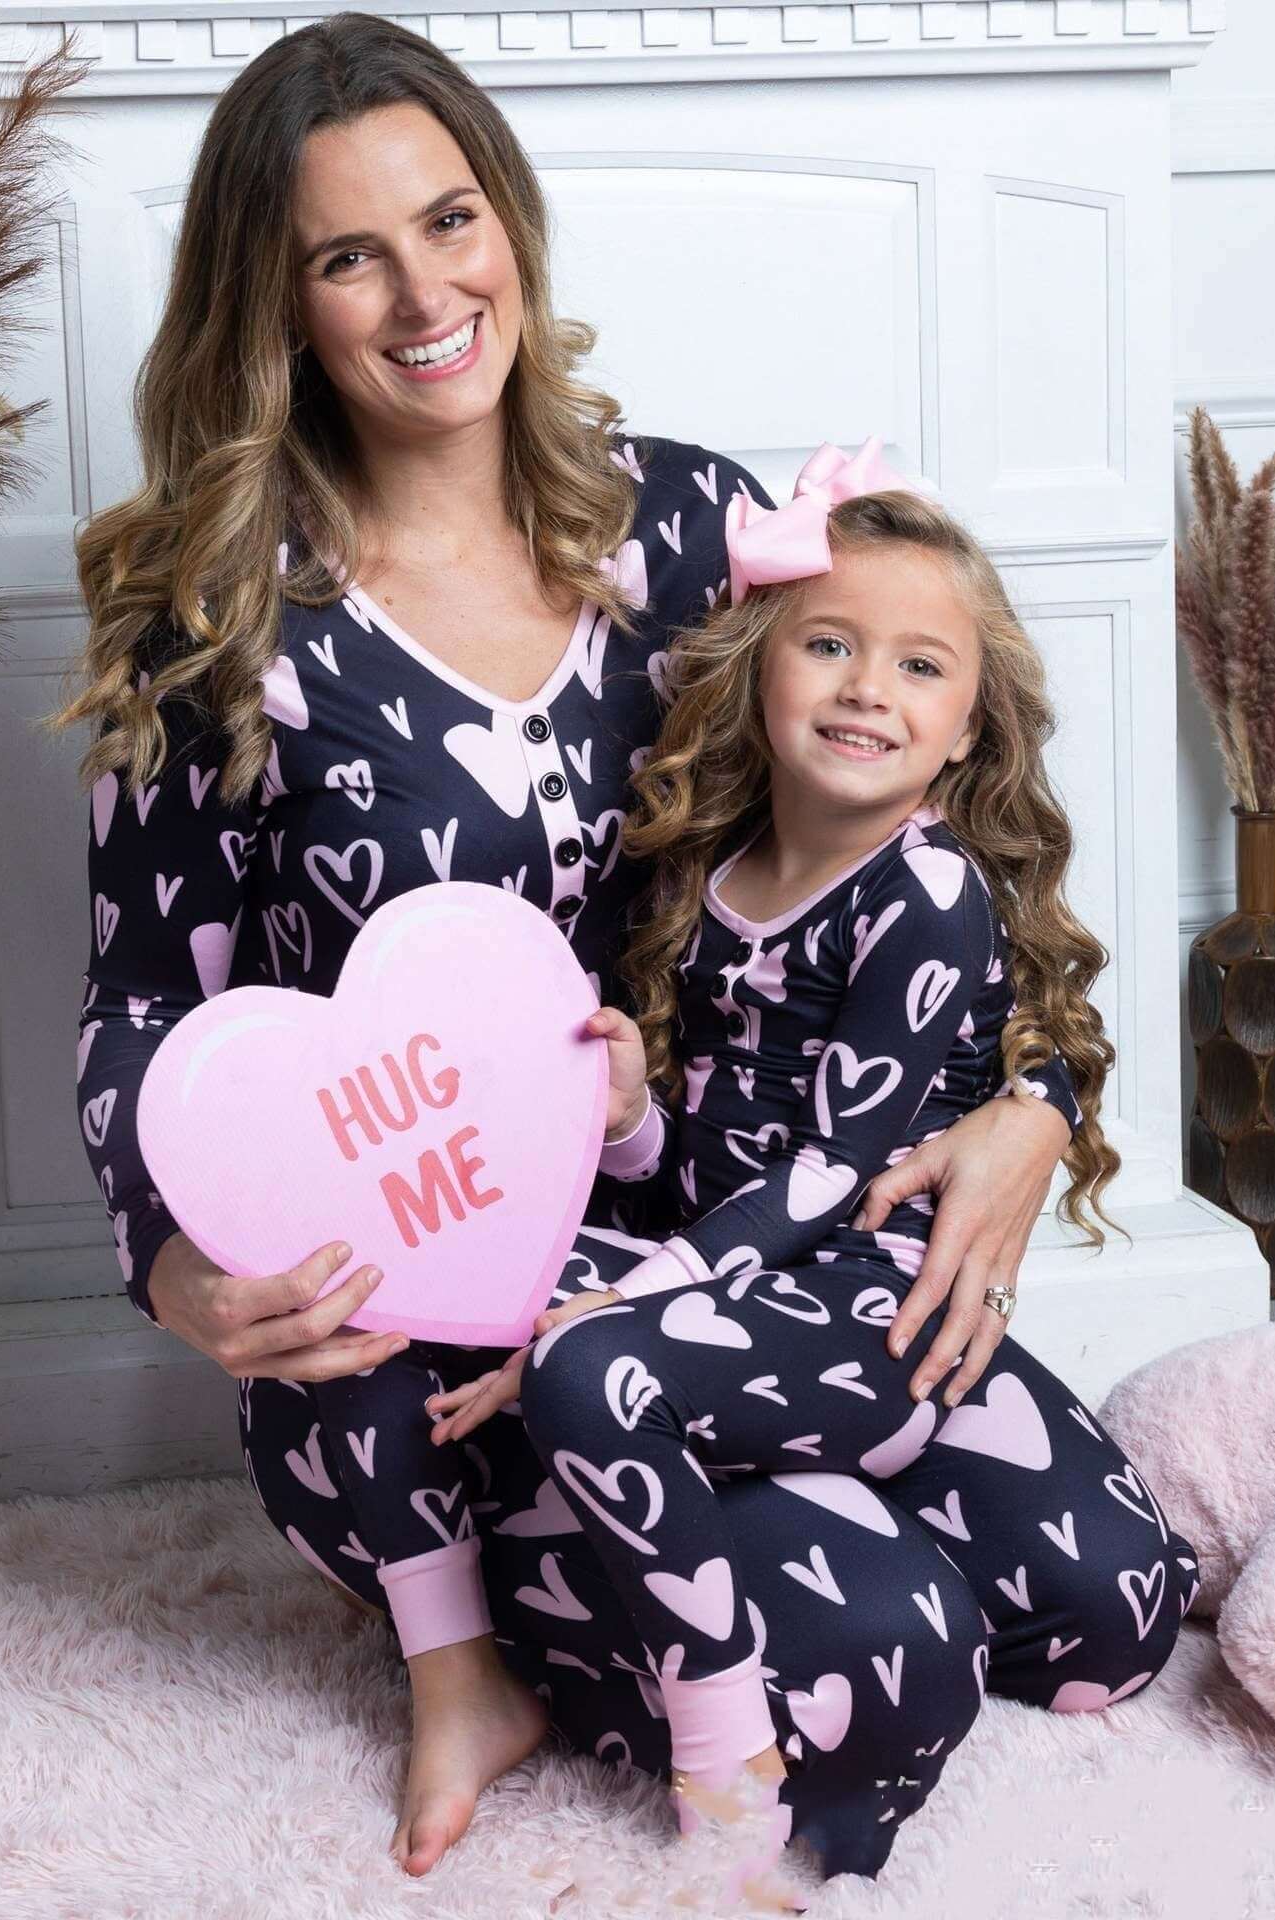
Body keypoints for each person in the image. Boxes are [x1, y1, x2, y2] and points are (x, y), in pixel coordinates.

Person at [52, 10, 1122, 1897]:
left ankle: (733, 1545)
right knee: (893, 1658)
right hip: (414, 1345)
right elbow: (143, 1009)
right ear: (275, 304)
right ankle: (471, 1647)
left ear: (514, 225)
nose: (422, 293)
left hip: (723, 1261)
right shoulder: (226, 632)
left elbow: (951, 810)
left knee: (1109, 1597)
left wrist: (1035, 1099)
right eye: (345, 255)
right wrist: (175, 1274)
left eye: (450, 220)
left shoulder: (697, 528)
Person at [422, 446, 1199, 1903]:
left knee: (1118, 1627)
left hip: (870, 1313)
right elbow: (702, 1175)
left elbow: (840, 1173)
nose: (866, 688)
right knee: (560, 1351)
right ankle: (735, 1757)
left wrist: (634, 1301)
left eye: (919, 665)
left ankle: (786, 1490)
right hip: (742, 1302)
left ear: (970, 726)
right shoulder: (697, 881)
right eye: (830, 645)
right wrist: (632, 1126)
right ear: (761, 674)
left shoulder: (929, 892)